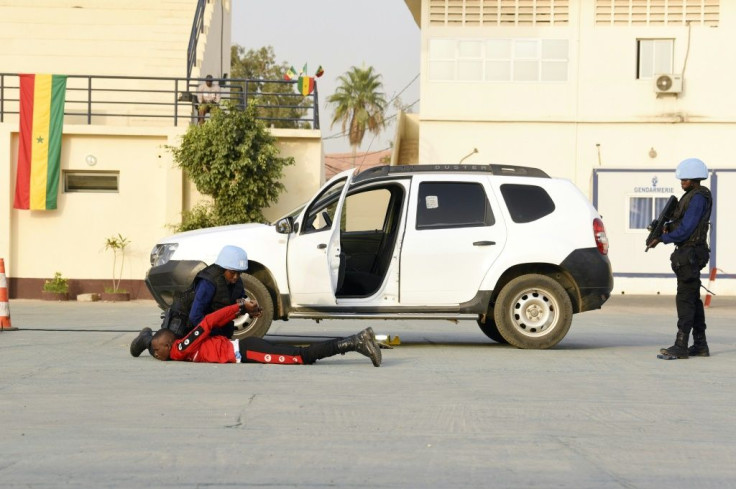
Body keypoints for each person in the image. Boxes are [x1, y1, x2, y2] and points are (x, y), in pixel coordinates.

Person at [150, 299, 382, 367]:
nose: (156, 354)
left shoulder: (180, 350)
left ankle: (355, 342)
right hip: (246, 347)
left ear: (168, 344)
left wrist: (239, 308)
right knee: (299, 355)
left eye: (156, 349)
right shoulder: (179, 348)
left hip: (247, 351)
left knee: (301, 357)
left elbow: (209, 321)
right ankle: (356, 341)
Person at [130, 245, 261, 357]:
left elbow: (236, 303)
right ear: (223, 268)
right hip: (184, 320)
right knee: (170, 352)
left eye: (239, 273)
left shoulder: (236, 282)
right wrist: (209, 334)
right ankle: (146, 339)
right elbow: (195, 315)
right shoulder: (208, 282)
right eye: (233, 272)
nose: (236, 277)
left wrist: (247, 308)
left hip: (207, 325)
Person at [647, 158, 713, 360]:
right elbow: (681, 224)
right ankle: (700, 345)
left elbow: (687, 229)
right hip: (689, 252)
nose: (682, 182)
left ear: (695, 179)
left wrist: (663, 238)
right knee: (692, 298)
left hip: (691, 253)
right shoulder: (691, 196)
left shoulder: (698, 198)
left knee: (685, 298)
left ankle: (681, 345)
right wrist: (665, 227)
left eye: (685, 179)